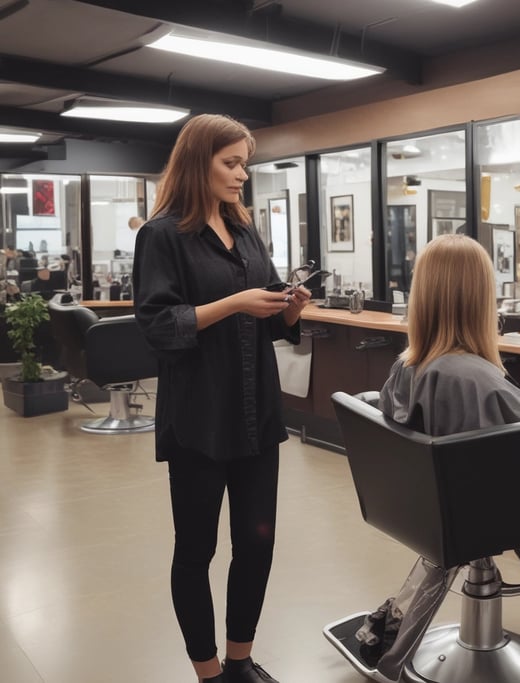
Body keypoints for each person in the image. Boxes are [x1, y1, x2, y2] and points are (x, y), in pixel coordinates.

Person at [132, 114, 311, 683]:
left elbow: (266, 316)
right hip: (199, 419)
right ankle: (208, 671)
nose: (242, 175)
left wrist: (289, 308)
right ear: (197, 161)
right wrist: (235, 303)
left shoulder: (247, 231)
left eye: (245, 164)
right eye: (231, 163)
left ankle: (239, 659)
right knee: (197, 550)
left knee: (257, 543)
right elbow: (160, 326)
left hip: (257, 416)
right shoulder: (161, 236)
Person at [358, 234, 520, 681]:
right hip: (487, 514)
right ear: (481, 297)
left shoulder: (409, 367)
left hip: (428, 513)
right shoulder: (475, 379)